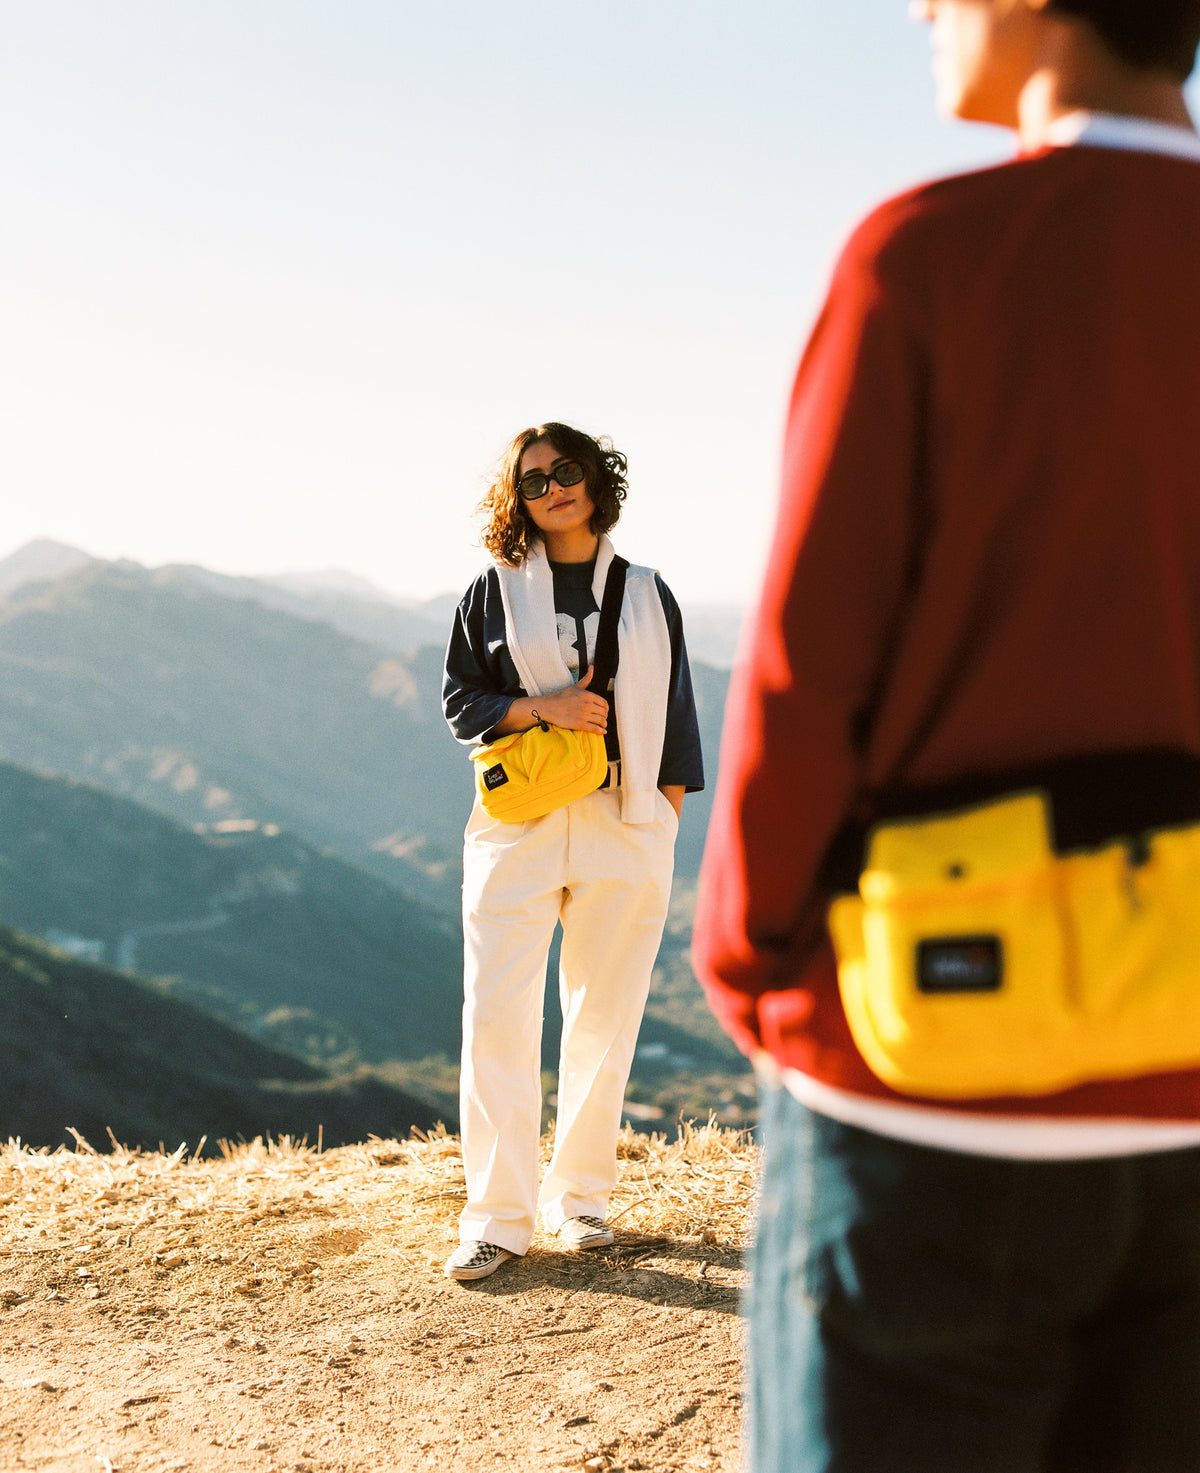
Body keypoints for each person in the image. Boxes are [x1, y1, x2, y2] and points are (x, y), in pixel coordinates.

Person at [692, 1, 1200, 1468]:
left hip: (933, 1080)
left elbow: (808, 662)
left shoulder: (929, 258)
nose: (921, 7)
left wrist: (754, 962)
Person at [442, 421, 703, 1281]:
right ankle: (497, 1217)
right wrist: (538, 709)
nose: (553, 486)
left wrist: (658, 818)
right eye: (534, 479)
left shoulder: (648, 591)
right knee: (496, 1016)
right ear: (517, 498)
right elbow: (460, 702)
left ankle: (580, 1201)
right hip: (516, 824)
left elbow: (679, 718)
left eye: (567, 470)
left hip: (622, 821)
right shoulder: (493, 590)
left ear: (596, 479)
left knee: (605, 1015)